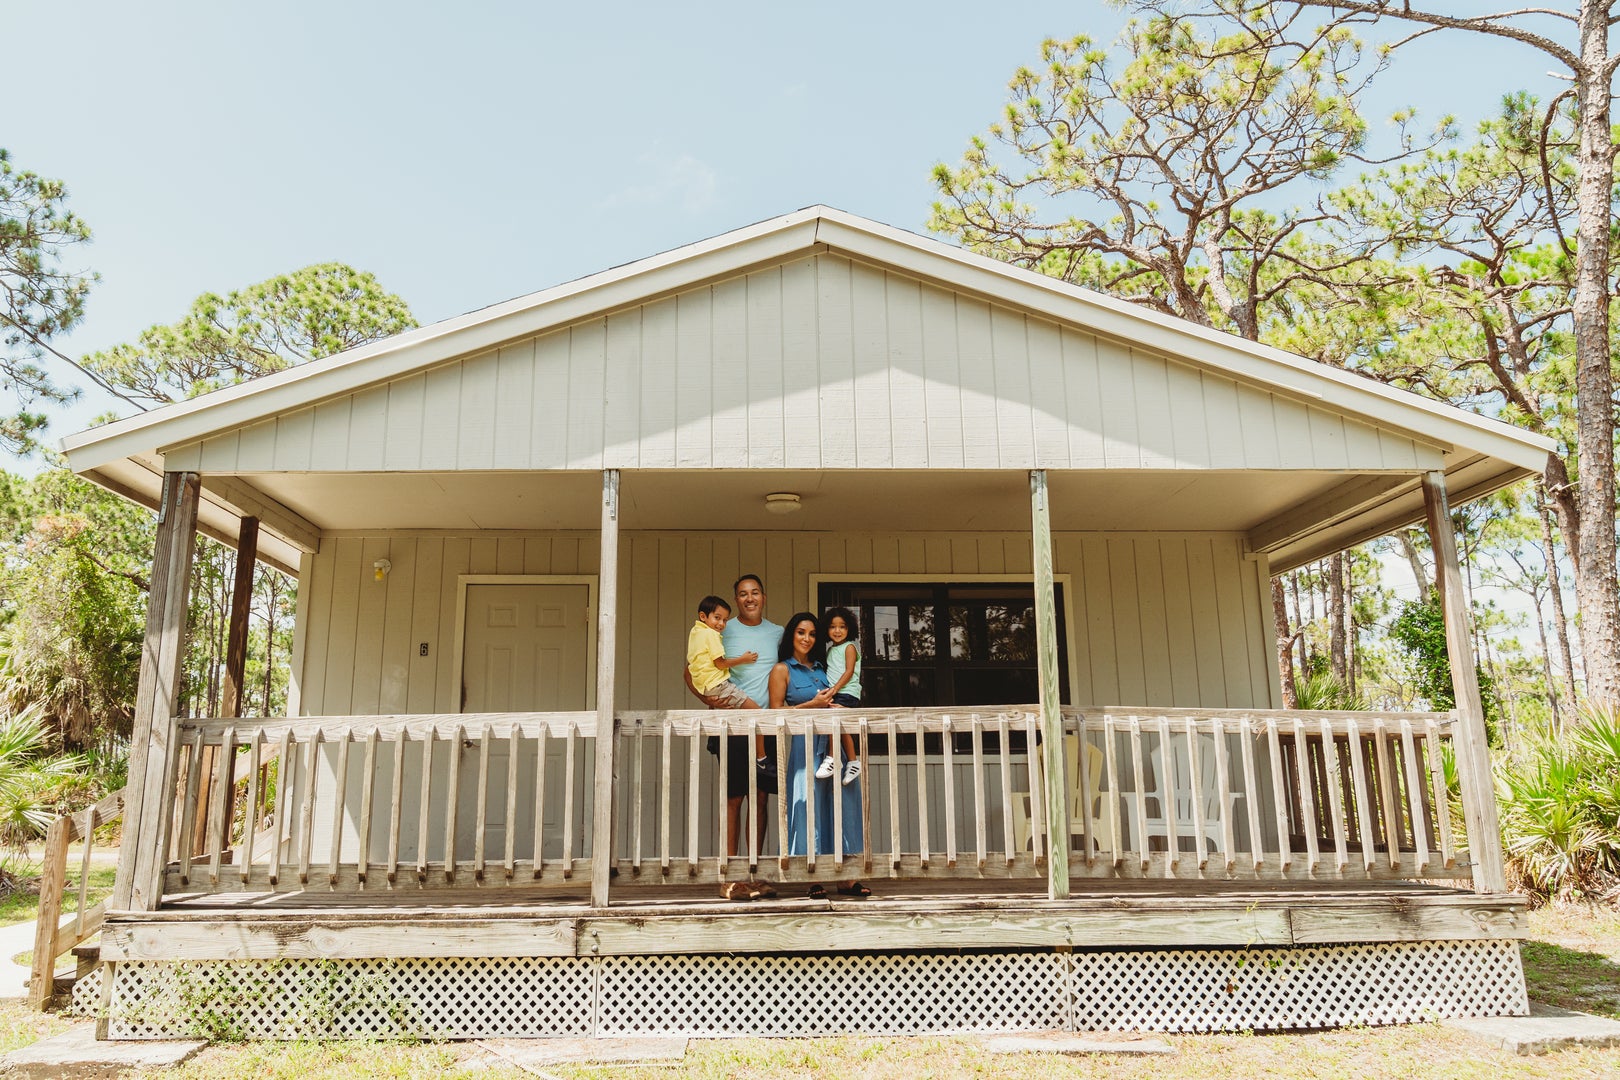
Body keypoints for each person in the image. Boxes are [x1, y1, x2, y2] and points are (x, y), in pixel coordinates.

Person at [683, 574, 780, 901]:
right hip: (732, 725)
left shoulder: (777, 633)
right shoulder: (721, 628)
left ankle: (755, 875)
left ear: (763, 597)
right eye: (742, 594)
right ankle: (731, 878)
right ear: (735, 600)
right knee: (735, 797)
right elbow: (691, 671)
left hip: (765, 726)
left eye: (754, 593)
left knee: (762, 798)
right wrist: (711, 701)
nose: (749, 598)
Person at [768, 611, 869, 899]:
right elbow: (775, 711)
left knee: (842, 804)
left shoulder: (822, 667)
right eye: (801, 632)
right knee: (808, 806)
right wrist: (812, 704)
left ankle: (847, 876)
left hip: (834, 745)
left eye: (812, 634)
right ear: (792, 635)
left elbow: (842, 691)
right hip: (806, 747)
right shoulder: (782, 670)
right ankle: (812, 875)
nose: (807, 639)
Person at [815, 606, 863, 786]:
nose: (837, 631)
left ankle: (833, 758)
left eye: (842, 627)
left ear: (849, 628)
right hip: (837, 692)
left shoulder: (849, 647)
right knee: (841, 729)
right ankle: (853, 761)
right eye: (833, 627)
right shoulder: (830, 651)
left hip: (847, 692)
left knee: (833, 721)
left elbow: (849, 671)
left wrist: (834, 689)